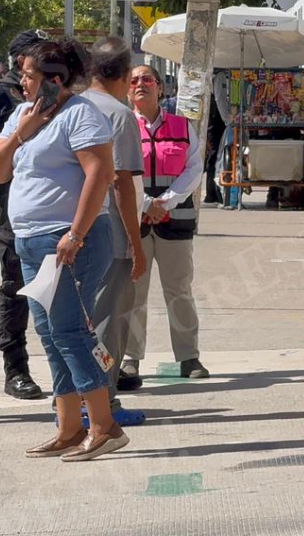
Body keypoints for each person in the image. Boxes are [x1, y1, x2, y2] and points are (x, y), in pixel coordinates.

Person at [0, 38, 129, 461]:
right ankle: (68, 427)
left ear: (55, 79)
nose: (21, 82)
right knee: (49, 333)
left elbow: (100, 173)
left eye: (28, 75)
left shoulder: (80, 115)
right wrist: (21, 135)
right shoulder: (21, 116)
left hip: (67, 239)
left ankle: (104, 426)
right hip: (30, 239)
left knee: (68, 331)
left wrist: (76, 234)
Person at [119, 65, 209, 391]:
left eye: (147, 79)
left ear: (160, 88)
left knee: (179, 291)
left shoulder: (183, 126)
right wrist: (145, 205)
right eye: (134, 81)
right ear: (127, 91)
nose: (140, 84)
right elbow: (119, 173)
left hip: (176, 222)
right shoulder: (121, 127)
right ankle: (129, 359)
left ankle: (189, 357)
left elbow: (194, 167)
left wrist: (166, 202)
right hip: (134, 223)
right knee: (133, 294)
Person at [0, 30, 50, 400]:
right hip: (10, 199)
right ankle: (15, 367)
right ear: (20, 62)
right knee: (16, 284)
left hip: (48, 206)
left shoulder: (58, 96)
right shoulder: (4, 92)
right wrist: (13, 140)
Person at [81, 37, 147, 418]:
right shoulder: (118, 115)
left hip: (73, 229)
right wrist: (137, 246)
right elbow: (123, 184)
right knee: (108, 322)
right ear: (123, 76)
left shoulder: (70, 108)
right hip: (110, 235)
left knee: (77, 322)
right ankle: (102, 400)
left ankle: (74, 402)